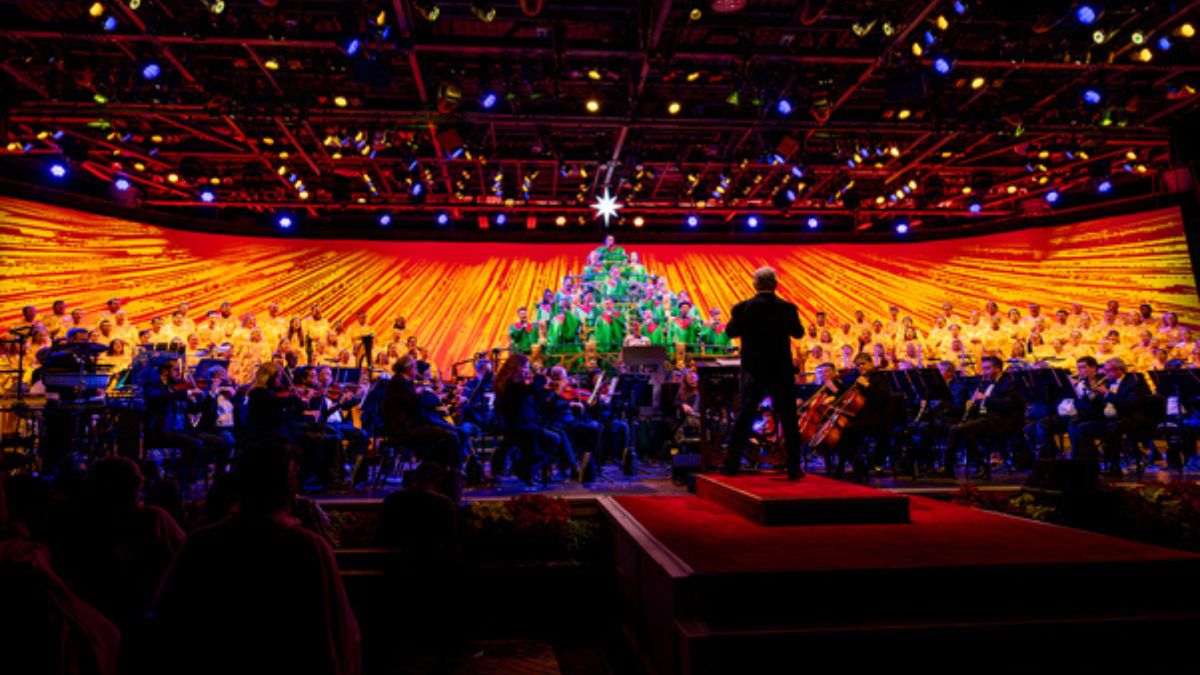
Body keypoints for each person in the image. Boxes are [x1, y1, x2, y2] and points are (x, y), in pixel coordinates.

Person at [152, 438, 361, 675]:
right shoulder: (308, 547)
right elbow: (338, 632)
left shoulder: (202, 543)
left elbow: (169, 615)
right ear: (288, 485)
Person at [720, 267, 806, 479]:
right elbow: (799, 332)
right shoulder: (787, 308)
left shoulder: (743, 308)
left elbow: (730, 332)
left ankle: (731, 464)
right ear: (775, 285)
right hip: (780, 370)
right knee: (788, 418)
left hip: (753, 370)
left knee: (745, 416)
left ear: (755, 285)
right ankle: (794, 467)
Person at [493, 353, 569, 485]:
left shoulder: (519, 384)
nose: (527, 371)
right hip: (517, 427)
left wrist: (547, 392)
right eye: (525, 368)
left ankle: (527, 468)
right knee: (553, 439)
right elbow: (531, 390)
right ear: (517, 367)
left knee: (556, 437)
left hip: (527, 424)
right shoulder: (509, 385)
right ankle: (524, 467)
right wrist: (540, 376)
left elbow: (535, 399)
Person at [946, 355, 1023, 479]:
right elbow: (979, 403)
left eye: (987, 368)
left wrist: (985, 399)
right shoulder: (984, 383)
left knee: (960, 429)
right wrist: (972, 404)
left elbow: (1008, 405)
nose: (984, 372)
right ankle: (974, 466)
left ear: (997, 369)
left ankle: (958, 467)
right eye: (983, 368)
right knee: (959, 429)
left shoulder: (1009, 383)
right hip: (984, 419)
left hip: (1000, 420)